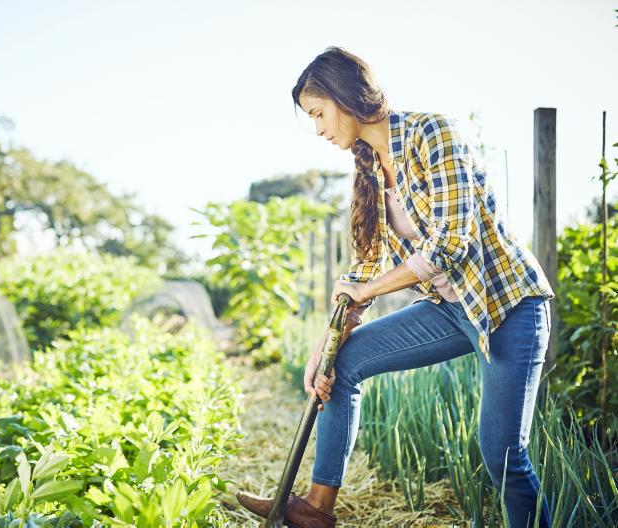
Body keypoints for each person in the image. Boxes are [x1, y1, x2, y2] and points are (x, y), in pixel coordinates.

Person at [236, 47, 554, 528]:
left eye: (320, 114)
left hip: (507, 306)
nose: (320, 130)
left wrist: (369, 292)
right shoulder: (369, 165)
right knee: (343, 363)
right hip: (450, 310)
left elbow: (452, 243)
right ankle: (316, 509)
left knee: (503, 455)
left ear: (345, 96)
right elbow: (365, 269)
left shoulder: (432, 133)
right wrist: (325, 345)